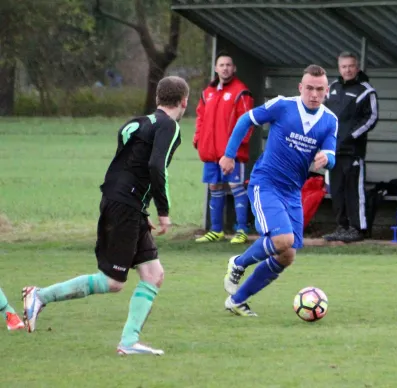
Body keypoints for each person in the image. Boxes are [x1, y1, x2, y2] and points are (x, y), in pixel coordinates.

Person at [22, 76, 190, 355]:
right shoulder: (170, 126)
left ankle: (129, 341)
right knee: (113, 282)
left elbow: (127, 166)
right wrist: (163, 211)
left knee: (153, 273)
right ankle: (39, 296)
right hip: (125, 205)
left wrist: (139, 208)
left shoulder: (134, 123)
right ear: (184, 101)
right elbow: (156, 167)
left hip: (125, 203)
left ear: (158, 98)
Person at [220, 64, 338, 316]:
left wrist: (326, 159)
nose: (314, 94)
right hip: (266, 183)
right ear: (300, 88)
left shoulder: (330, 120)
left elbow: (331, 152)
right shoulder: (283, 105)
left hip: (293, 192)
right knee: (282, 240)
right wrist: (229, 155)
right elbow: (246, 120)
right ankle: (238, 263)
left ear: (327, 90)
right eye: (309, 88)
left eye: (319, 89)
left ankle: (237, 301)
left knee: (287, 255)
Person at [193, 51, 254, 244]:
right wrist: (198, 140)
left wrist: (235, 149)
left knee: (237, 188)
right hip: (211, 153)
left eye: (229, 65)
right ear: (216, 68)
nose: (225, 68)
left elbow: (247, 122)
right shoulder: (207, 93)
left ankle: (242, 230)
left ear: (233, 68)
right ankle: (216, 230)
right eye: (222, 65)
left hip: (231, 154)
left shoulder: (240, 92)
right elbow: (200, 119)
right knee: (215, 187)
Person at [323, 51, 379, 243]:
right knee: (336, 190)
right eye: (343, 66)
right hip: (332, 152)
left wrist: (350, 136)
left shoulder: (366, 90)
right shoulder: (332, 88)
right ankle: (342, 226)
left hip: (353, 151)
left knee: (354, 191)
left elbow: (371, 118)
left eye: (351, 66)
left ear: (357, 67)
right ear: (339, 68)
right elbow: (322, 114)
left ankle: (357, 228)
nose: (347, 70)